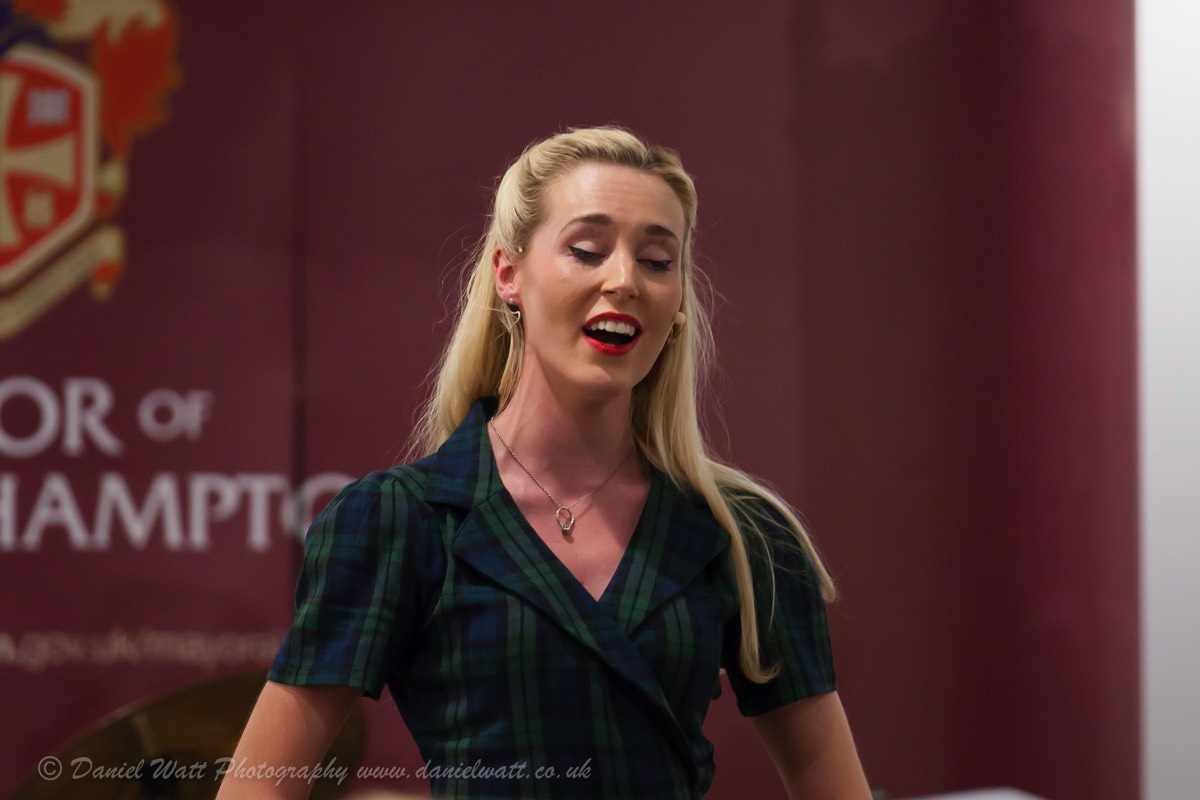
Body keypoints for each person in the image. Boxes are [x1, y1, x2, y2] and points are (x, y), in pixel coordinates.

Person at [217, 126, 870, 799]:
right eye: (587, 251)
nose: (624, 280)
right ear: (509, 274)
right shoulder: (401, 519)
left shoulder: (742, 534)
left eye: (656, 260)